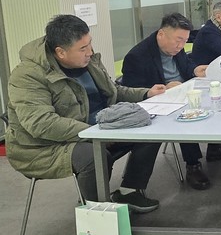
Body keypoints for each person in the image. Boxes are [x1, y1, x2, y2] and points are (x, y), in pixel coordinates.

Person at [5, 15, 166, 212]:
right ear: (60, 52)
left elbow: (113, 91)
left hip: (97, 129)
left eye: (90, 44)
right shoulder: (28, 75)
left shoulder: (87, 61)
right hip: (43, 146)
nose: (90, 52)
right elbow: (41, 123)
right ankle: (96, 212)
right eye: (83, 48)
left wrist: (146, 93)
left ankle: (129, 191)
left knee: (151, 130)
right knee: (93, 156)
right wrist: (94, 133)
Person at [121, 13, 221, 191]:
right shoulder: (137, 56)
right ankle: (193, 165)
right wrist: (164, 89)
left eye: (184, 41)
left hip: (183, 93)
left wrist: (195, 70)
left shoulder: (176, 48)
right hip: (161, 105)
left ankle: (215, 147)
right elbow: (132, 91)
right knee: (187, 114)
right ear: (161, 34)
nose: (181, 46)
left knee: (216, 99)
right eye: (178, 40)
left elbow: (185, 65)